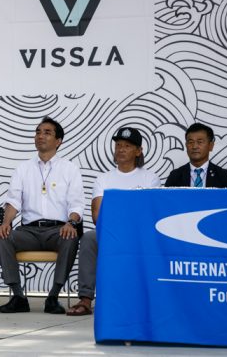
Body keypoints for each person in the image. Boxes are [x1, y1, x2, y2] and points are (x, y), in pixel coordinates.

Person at [66, 127, 160, 316]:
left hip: (139, 235)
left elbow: (149, 214)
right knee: (89, 239)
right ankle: (85, 299)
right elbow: (97, 214)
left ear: (138, 151)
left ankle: (151, 298)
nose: (121, 149)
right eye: (118, 145)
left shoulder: (150, 178)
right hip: (111, 233)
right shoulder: (104, 178)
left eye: (127, 146)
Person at [0, 117, 83, 314]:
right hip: (29, 231)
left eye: (47, 132)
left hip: (58, 230)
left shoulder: (69, 169)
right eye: (38, 132)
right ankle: (18, 296)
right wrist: (6, 222)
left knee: (71, 236)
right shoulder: (23, 168)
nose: (40, 136)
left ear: (58, 141)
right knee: (2, 236)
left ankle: (53, 296)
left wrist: (71, 223)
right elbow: (13, 200)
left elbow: (76, 204)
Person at [165, 123, 227, 188]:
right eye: (191, 142)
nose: (194, 146)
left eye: (200, 142)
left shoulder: (223, 176)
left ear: (210, 146)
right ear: (186, 145)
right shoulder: (175, 176)